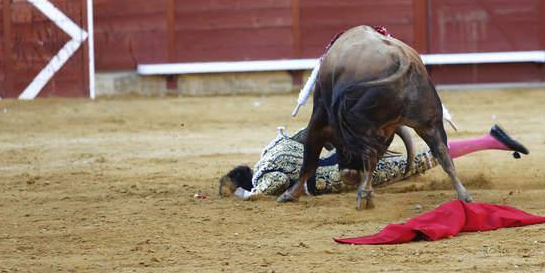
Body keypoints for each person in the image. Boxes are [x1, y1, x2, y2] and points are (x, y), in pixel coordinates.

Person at [219, 124, 529, 199]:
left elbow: (262, 193)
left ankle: (491, 141)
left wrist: (242, 196)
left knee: (423, 159)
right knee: (418, 160)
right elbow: (305, 134)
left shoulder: (266, 176)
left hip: (343, 172)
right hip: (331, 156)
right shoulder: (269, 151)